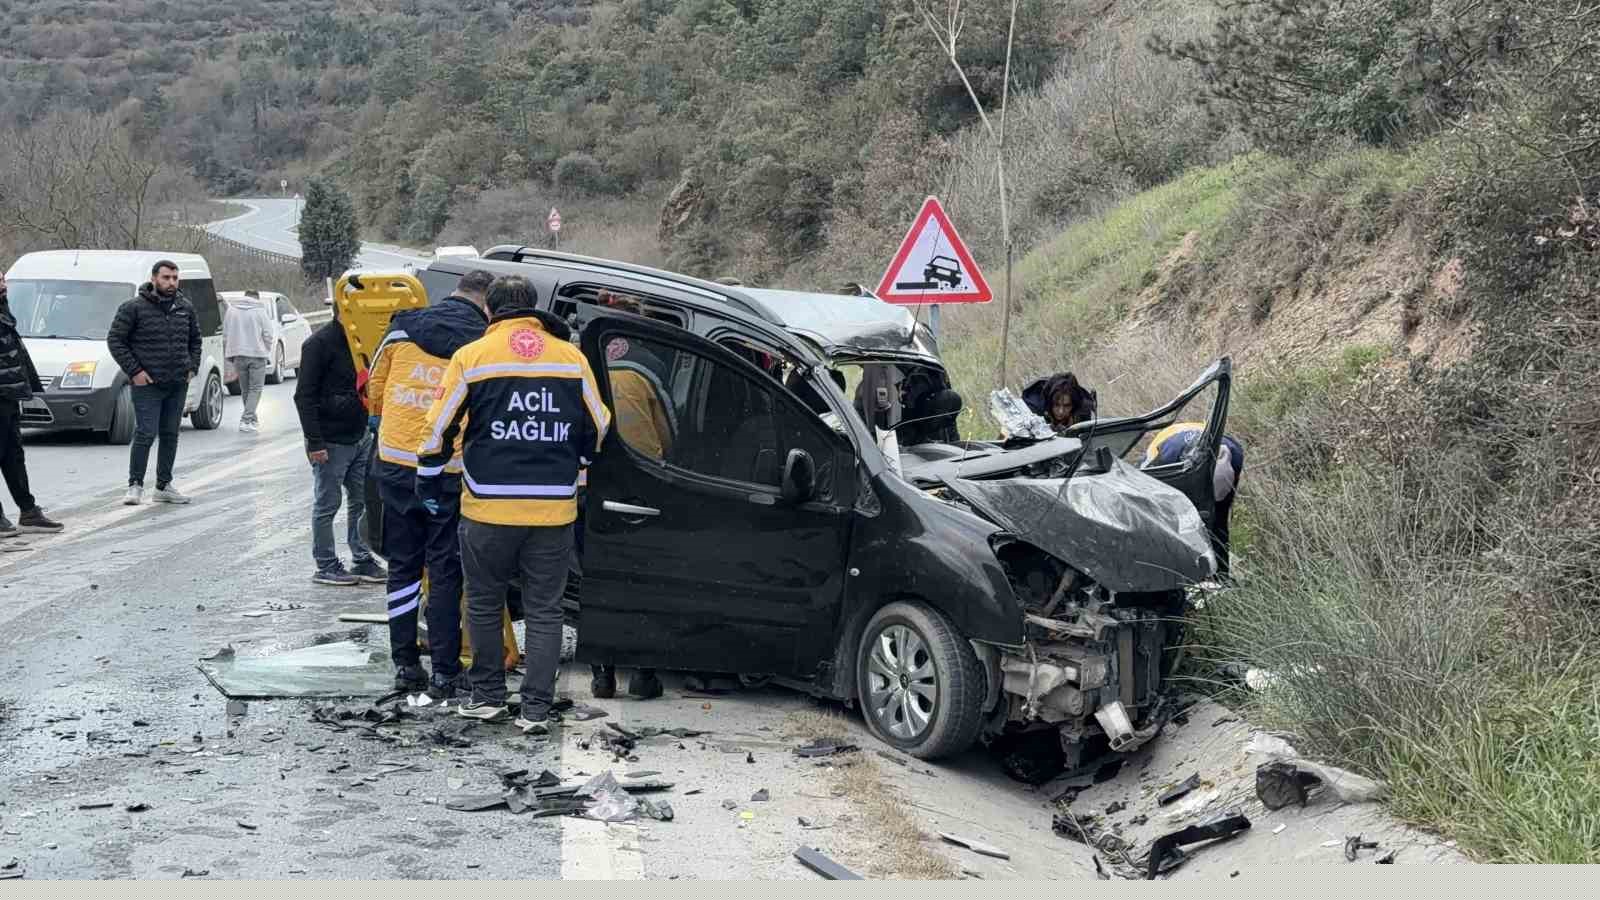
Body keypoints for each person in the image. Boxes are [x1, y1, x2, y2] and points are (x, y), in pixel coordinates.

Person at [417, 275, 609, 730]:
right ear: (534, 307)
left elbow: (438, 427)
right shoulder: (570, 358)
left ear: (489, 310)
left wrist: (429, 474)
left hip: (488, 507)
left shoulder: (473, 356)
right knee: (545, 610)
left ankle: (487, 697)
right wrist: (578, 463)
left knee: (484, 602)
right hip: (553, 510)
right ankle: (536, 709)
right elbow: (599, 423)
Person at [365, 270, 492, 696]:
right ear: (485, 303)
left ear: (454, 293)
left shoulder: (402, 327)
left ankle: (405, 664)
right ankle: (445, 670)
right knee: (444, 571)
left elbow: (375, 389)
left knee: (402, 566)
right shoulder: (482, 341)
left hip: (396, 466)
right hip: (448, 471)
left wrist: (387, 422)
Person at [585, 290, 671, 701]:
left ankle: (602, 676)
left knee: (600, 580)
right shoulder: (650, 362)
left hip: (593, 481)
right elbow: (666, 429)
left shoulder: (580, 356)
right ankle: (643, 673)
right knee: (644, 582)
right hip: (642, 481)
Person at [294, 307, 388, 587]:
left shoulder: (365, 341)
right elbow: (304, 397)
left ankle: (362, 558)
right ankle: (325, 564)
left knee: (362, 500)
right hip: (330, 440)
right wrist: (315, 442)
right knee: (327, 504)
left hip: (360, 435)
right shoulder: (318, 344)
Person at [107, 260, 200, 505]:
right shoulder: (133, 308)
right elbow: (115, 340)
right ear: (154, 278)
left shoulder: (185, 307)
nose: (171, 282)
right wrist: (135, 371)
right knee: (146, 433)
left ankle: (163, 486)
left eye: (175, 278)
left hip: (177, 383)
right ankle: (135, 486)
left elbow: (195, 340)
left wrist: (192, 367)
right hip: (147, 384)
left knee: (170, 434)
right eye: (166, 277)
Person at [0, 275, 63, 537]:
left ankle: (28, 511)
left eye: (3, 279)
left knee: (13, 455)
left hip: (9, 393)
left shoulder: (3, 309)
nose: (3, 284)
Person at [1144, 423, 1245, 580]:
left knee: (1218, 521)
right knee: (1171, 522)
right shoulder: (1163, 461)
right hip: (1170, 445)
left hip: (1204, 448)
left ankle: (1219, 578)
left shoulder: (1235, 455)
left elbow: (1220, 516)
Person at [222, 290, 275, 434]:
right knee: (256, 389)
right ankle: (246, 420)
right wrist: (266, 349)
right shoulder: (259, 310)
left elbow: (225, 334)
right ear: (257, 298)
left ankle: (252, 420)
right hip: (257, 355)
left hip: (238, 355)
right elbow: (268, 334)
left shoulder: (231, 311)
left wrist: (230, 354)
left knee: (245, 389)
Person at [1022, 371, 1096, 433]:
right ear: (1049, 402)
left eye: (1067, 406)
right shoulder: (1033, 410)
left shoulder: (1083, 409)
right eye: (1056, 405)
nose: (1061, 411)